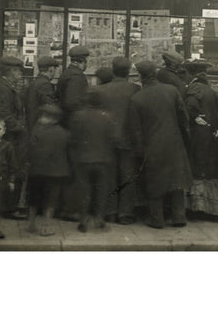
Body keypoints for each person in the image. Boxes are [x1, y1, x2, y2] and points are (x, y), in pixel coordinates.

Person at [129, 61, 192, 229]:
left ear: (141, 77)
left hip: (152, 145)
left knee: (154, 181)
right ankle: (179, 216)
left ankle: (156, 218)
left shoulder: (137, 98)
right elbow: (183, 118)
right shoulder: (172, 91)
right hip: (174, 141)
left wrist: (140, 150)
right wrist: (184, 138)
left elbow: (136, 130)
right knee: (177, 180)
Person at [98, 57, 141, 224]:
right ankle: (125, 213)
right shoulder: (135, 89)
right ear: (129, 71)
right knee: (127, 177)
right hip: (128, 139)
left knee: (109, 176)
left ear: (113, 69)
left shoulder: (101, 90)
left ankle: (110, 211)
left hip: (106, 140)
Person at [69, 89, 116, 232]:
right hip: (103, 159)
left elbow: (73, 138)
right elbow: (112, 138)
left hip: (82, 159)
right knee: (101, 190)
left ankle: (83, 220)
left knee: (84, 190)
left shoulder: (78, 116)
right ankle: (99, 219)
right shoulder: (108, 117)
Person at [0, 56, 29, 218]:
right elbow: (4, 114)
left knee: (12, 171)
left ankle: (9, 206)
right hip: (11, 137)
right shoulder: (2, 88)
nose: (20, 74)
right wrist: (21, 128)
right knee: (11, 171)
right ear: (11, 71)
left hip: (12, 136)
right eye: (18, 71)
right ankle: (8, 208)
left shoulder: (7, 86)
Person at [56, 45, 90, 220]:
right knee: (74, 170)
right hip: (73, 128)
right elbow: (72, 103)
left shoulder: (67, 74)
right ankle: (69, 210)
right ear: (83, 61)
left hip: (67, 125)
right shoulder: (77, 77)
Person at [27, 103, 71, 236]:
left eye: (44, 115)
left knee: (33, 198)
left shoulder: (36, 130)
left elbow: (30, 149)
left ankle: (31, 224)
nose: (41, 118)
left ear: (52, 118)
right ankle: (46, 226)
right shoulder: (64, 134)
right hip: (55, 173)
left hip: (36, 171)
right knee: (50, 200)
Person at [182, 59, 218, 180]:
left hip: (198, 131)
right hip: (209, 130)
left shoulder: (195, 87)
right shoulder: (209, 89)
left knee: (197, 163)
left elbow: (190, 105)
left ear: (191, 74)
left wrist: (194, 117)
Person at [26, 55, 59, 132]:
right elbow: (49, 106)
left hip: (32, 122)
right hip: (40, 125)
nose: (55, 72)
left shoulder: (36, 82)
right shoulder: (45, 84)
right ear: (50, 69)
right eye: (54, 69)